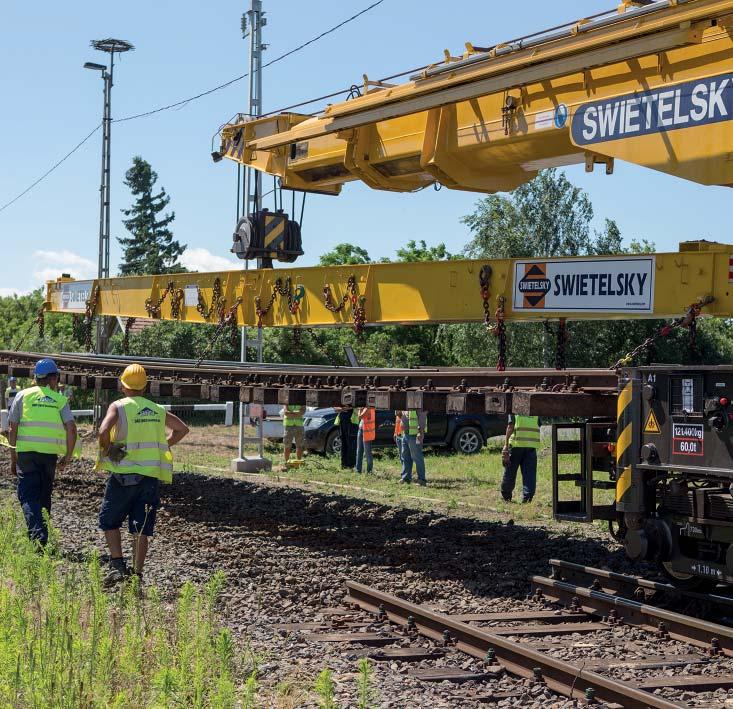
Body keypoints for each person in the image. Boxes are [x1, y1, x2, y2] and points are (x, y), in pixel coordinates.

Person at [97, 363, 189, 586]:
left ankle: (117, 565)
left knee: (109, 521)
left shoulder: (118, 406)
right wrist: (163, 446)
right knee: (141, 528)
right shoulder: (157, 409)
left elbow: (102, 431)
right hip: (149, 477)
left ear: (123, 385)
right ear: (145, 386)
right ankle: (136, 576)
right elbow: (182, 429)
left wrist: (108, 449)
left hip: (122, 476)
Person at [6, 359, 77, 547]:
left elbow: (12, 429)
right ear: (53, 379)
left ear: (37, 378)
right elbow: (71, 429)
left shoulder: (22, 395)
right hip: (49, 456)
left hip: (26, 455)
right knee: (44, 496)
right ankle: (41, 540)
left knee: (28, 496)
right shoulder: (60, 400)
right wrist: (67, 457)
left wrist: (13, 458)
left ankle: (37, 538)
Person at [501, 414, 541, 503]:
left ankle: (506, 496)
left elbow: (510, 426)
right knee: (529, 474)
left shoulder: (514, 410)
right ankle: (527, 498)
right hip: (531, 446)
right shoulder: (535, 410)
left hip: (516, 445)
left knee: (510, 472)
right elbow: (538, 424)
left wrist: (506, 445)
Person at [399, 409, 427, 486]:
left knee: (417, 456)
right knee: (405, 456)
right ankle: (406, 478)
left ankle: (422, 480)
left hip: (414, 434)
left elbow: (422, 416)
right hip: (406, 433)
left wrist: (420, 432)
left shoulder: (417, 402)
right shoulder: (406, 401)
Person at [283, 404, 306, 468]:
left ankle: (298, 463)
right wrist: (297, 413)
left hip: (299, 425)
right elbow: (285, 412)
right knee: (287, 445)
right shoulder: (287, 400)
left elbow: (302, 412)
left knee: (299, 445)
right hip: (288, 426)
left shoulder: (301, 400)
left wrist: (291, 413)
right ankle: (287, 464)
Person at [355, 406, 375, 474]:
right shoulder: (366, 408)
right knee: (359, 451)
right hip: (361, 430)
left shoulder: (368, 408)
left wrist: (360, 409)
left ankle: (369, 471)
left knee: (367, 453)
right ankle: (358, 470)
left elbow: (360, 416)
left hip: (367, 432)